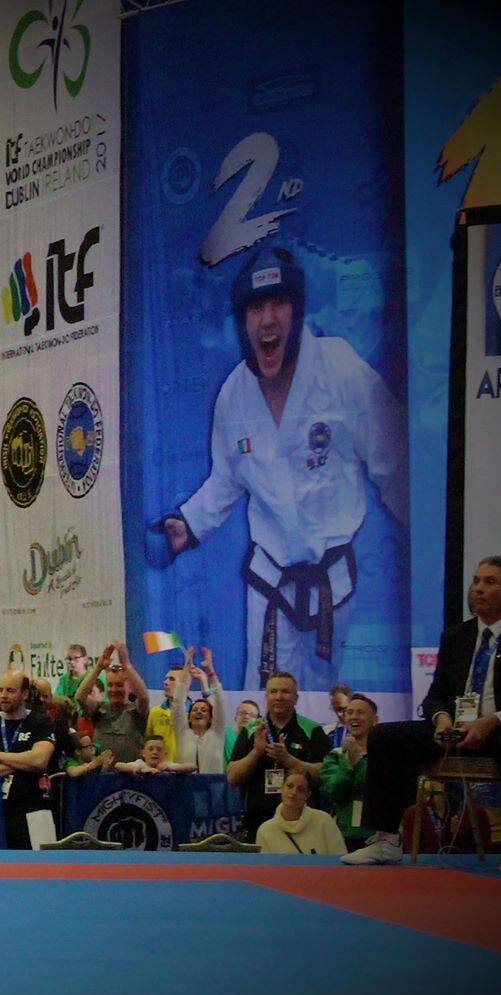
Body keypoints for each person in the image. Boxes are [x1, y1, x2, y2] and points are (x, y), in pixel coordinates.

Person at [146, 247, 406, 693]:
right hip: (269, 584)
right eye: (255, 307)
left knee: (332, 705)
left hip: (332, 583)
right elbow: (226, 478)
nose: (267, 319)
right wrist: (188, 523)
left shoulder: (340, 370)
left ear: (297, 308)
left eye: (278, 303)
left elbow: (396, 465)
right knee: (263, 706)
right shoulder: (233, 395)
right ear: (243, 321)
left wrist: (425, 535)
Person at [343, 556, 501, 869]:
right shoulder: (456, 636)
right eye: (476, 581)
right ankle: (387, 841)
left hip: (500, 728)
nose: (478, 589)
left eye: (490, 582)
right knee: (385, 737)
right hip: (454, 729)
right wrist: (441, 719)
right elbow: (437, 694)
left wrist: (491, 721)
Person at [225, 671, 327, 842]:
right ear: (266, 696)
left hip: (301, 825)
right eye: (273, 692)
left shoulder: (312, 730)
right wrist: (256, 752)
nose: (278, 697)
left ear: (296, 697)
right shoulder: (251, 730)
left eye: (285, 692)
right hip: (257, 823)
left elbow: (324, 775)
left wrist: (290, 761)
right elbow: (232, 777)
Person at [0, 671, 57, 849]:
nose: (3, 696)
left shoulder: (41, 722)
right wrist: (23, 764)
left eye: (10, 690)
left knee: (39, 869)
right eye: (0, 690)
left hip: (34, 809)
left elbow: (39, 761)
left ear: (24, 694)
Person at [318, 693, 377, 850]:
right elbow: (335, 790)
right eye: (349, 713)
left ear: (375, 720)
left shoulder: (385, 755)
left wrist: (357, 762)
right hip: (342, 835)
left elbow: (377, 788)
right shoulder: (335, 755)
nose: (354, 717)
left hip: (378, 836)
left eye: (361, 712)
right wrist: (348, 763)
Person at [254, 770, 346, 855]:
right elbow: (265, 870)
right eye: (290, 786)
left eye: (301, 790)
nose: (294, 792)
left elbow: (340, 859)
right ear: (281, 788)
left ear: (308, 795)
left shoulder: (324, 821)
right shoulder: (265, 830)